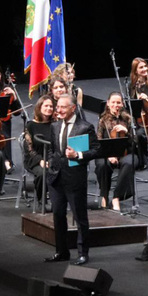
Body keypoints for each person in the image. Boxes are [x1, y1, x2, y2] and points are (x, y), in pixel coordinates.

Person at [44, 94, 99, 265]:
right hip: (57, 178)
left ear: (73, 108)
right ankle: (61, 251)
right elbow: (54, 149)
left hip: (75, 178)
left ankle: (83, 253)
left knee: (79, 216)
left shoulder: (85, 127)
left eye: (62, 107)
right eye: (57, 106)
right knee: (58, 215)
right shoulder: (54, 126)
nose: (58, 110)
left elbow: (96, 150)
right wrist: (51, 163)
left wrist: (78, 155)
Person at [95, 91, 140, 211]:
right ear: (108, 104)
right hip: (108, 154)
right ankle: (104, 195)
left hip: (126, 153)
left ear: (122, 104)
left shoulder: (129, 119)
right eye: (113, 102)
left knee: (130, 162)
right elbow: (98, 141)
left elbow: (136, 142)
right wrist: (108, 155)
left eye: (118, 102)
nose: (116, 105)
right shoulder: (102, 120)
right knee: (101, 164)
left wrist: (127, 132)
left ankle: (116, 197)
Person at [23, 95, 55, 207]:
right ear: (39, 107)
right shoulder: (31, 125)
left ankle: (58, 198)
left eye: (51, 106)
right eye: (46, 105)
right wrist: (41, 161)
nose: (49, 108)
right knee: (42, 173)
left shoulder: (55, 124)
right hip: (34, 159)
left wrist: (50, 160)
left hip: (52, 157)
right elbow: (29, 149)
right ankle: (42, 199)